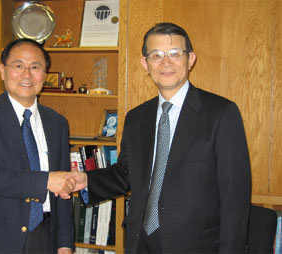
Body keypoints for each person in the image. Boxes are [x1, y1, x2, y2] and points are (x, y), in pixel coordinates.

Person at [68, 23, 252, 253]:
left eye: (175, 54)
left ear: (190, 59)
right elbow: (127, 173)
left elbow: (235, 196)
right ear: (145, 63)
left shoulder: (221, 113)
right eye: (156, 55)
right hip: (141, 241)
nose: (166, 62)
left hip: (196, 245)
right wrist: (85, 181)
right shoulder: (137, 117)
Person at [0, 38, 75, 254]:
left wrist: (65, 243)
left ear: (45, 74)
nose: (27, 75)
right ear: (3, 71)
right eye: (18, 66)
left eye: (35, 67)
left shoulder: (57, 122)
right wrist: (46, 180)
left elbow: (64, 189)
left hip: (44, 235)